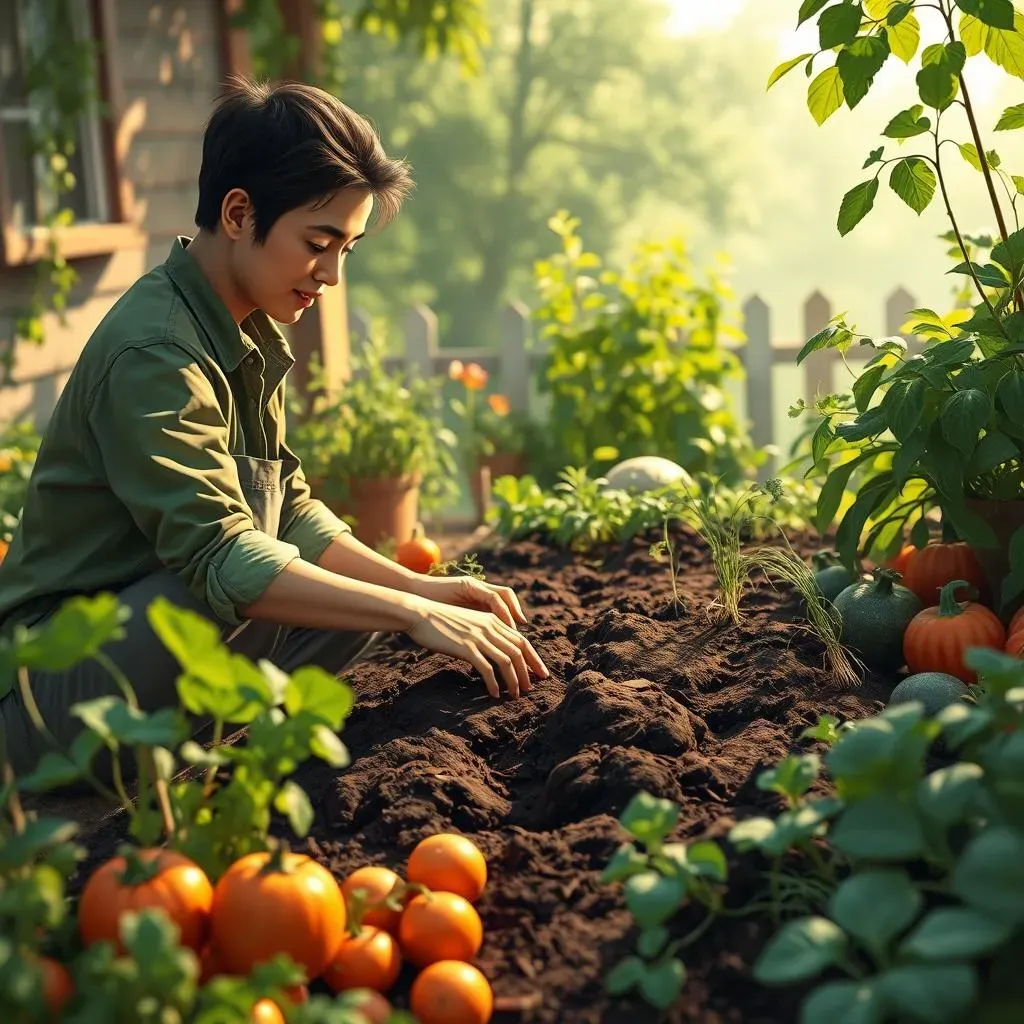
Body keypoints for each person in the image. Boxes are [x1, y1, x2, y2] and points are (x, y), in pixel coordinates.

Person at [0, 77, 549, 778]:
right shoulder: (156, 351)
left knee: (338, 603)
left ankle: (210, 753)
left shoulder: (245, 326)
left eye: (345, 250)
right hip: (47, 694)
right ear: (237, 213)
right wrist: (411, 613)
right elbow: (221, 557)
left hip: (147, 643)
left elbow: (286, 505)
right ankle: (142, 773)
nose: (330, 275)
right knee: (244, 582)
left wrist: (421, 592)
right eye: (319, 243)